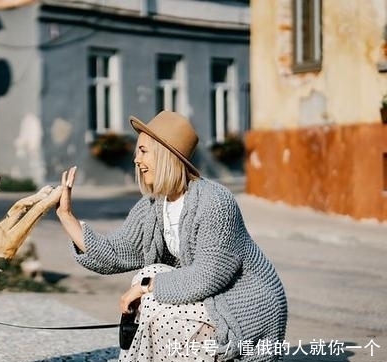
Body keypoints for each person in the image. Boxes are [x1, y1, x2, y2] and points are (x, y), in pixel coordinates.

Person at [56, 111, 287, 362]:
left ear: (166, 154)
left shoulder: (215, 201)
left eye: (143, 151)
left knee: (152, 295)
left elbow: (208, 275)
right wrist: (67, 216)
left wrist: (146, 289)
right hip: (210, 298)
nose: (136, 159)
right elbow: (115, 252)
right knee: (149, 274)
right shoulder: (154, 204)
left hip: (244, 304)